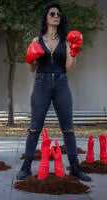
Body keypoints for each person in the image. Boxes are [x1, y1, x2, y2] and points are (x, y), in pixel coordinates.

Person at [16, 3, 91, 182]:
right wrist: (30, 58)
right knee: (34, 127)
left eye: (58, 14)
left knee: (68, 128)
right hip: (41, 83)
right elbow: (32, 69)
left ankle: (75, 167)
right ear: (47, 17)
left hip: (61, 83)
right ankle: (26, 168)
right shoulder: (36, 40)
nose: (56, 16)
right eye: (52, 13)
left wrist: (74, 50)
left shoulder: (66, 41)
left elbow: (69, 67)